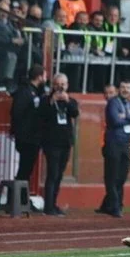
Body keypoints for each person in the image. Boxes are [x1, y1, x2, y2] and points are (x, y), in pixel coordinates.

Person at [96, 80, 130, 217]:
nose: (125, 90)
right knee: (111, 176)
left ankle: (108, 205)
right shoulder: (113, 102)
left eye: (128, 87)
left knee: (122, 176)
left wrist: (127, 116)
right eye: (123, 87)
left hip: (126, 144)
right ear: (118, 89)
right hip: (113, 143)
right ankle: (116, 207)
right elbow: (115, 120)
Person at [40, 73, 79, 216]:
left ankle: (54, 204)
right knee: (52, 174)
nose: (60, 87)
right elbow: (41, 115)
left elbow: (75, 113)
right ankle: (48, 206)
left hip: (65, 142)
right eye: (57, 84)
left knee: (59, 175)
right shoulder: (45, 100)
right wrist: (52, 102)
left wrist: (68, 102)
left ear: (67, 85)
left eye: (63, 84)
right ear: (53, 85)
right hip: (51, 143)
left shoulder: (71, 101)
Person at [10, 64, 47, 211]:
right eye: (44, 75)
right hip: (27, 137)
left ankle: (22, 200)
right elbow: (17, 113)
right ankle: (20, 200)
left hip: (32, 136)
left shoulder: (35, 91)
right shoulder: (25, 92)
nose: (46, 78)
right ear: (39, 76)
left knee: (26, 170)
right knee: (24, 170)